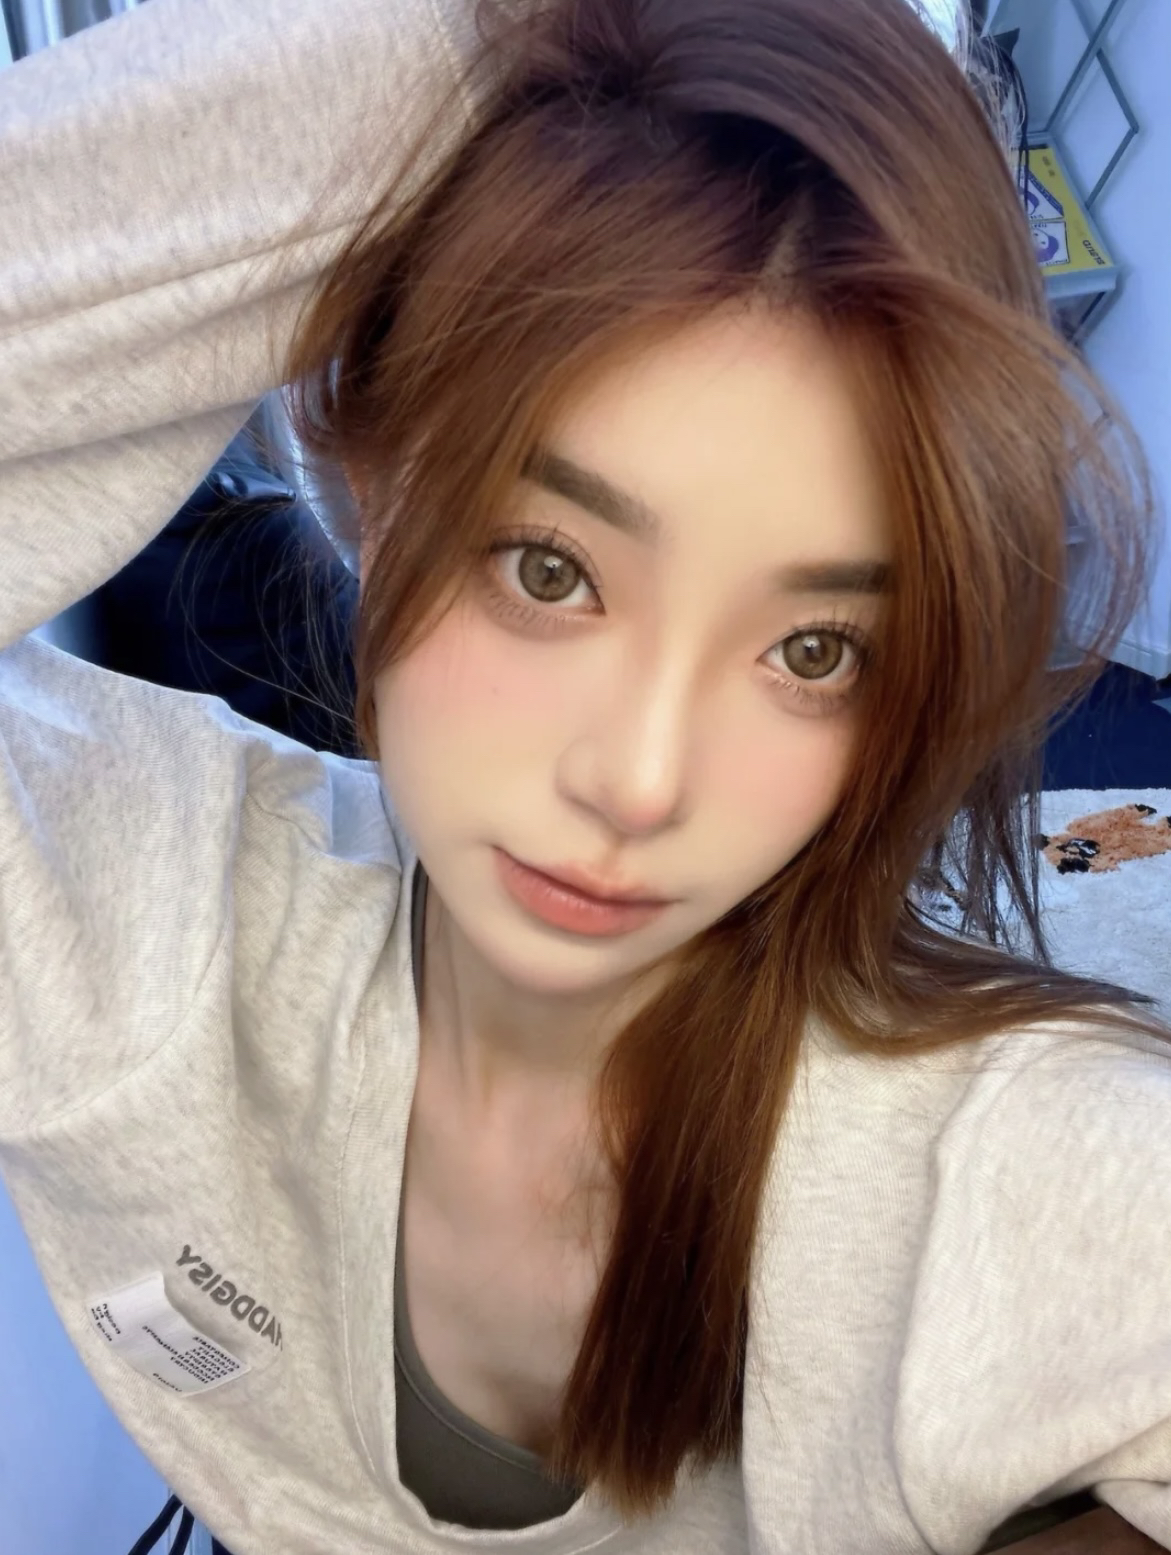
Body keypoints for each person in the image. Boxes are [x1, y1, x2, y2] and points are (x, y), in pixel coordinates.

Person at [0, 0, 1169, 1552]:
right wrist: (479, 40)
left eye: (814, 650)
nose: (640, 781)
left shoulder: (1000, 1177)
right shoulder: (153, 928)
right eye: (550, 569)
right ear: (366, 484)